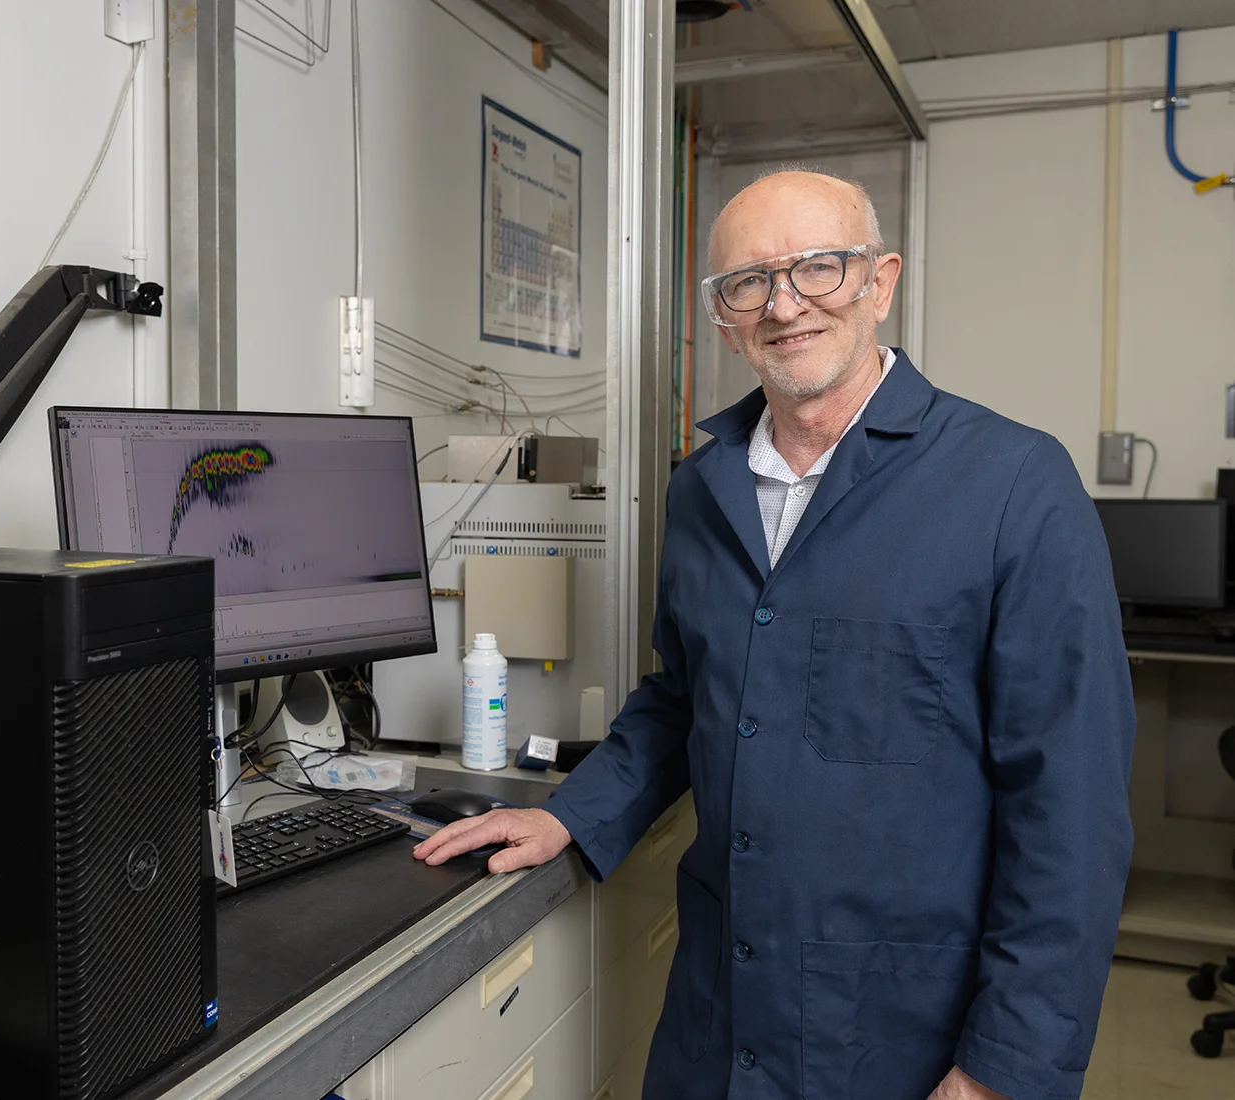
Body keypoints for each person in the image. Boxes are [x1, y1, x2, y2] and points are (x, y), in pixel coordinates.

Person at [413, 170, 1135, 1100]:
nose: (785, 304)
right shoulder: (701, 488)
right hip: (719, 1019)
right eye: (748, 282)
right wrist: (569, 814)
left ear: (880, 281)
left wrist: (1006, 1069)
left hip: (900, 1036)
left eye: (819, 267)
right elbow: (685, 697)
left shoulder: (1014, 484)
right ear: (724, 317)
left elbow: (1071, 807)